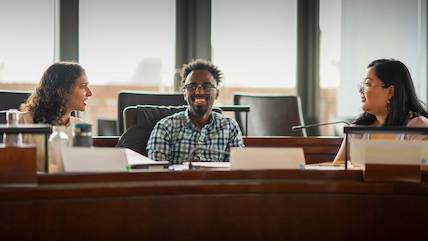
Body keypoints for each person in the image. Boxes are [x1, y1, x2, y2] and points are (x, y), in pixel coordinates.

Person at [146, 59, 244, 164]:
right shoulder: (165, 127)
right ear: (184, 93)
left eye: (206, 86)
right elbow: (157, 173)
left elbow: (237, 171)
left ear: (217, 93)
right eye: (192, 86)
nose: (199, 91)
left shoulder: (229, 127)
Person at [333, 59, 428, 165]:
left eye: (367, 84)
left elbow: (424, 169)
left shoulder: (418, 126)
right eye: (362, 85)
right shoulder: (356, 130)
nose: (360, 90)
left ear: (390, 91)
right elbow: (337, 170)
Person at [20, 62, 92, 171]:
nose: (89, 93)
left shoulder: (81, 127)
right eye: (83, 87)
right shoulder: (23, 122)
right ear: (61, 91)